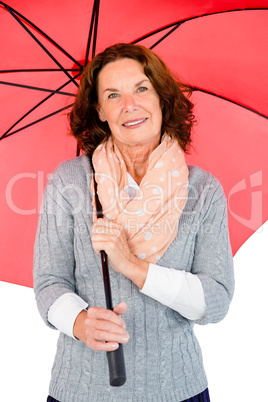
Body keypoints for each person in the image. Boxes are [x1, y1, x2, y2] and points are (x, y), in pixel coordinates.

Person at [34, 43, 234, 402]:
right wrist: (81, 323)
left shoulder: (203, 189)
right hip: (82, 391)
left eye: (141, 88)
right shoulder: (69, 182)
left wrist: (131, 265)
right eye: (113, 94)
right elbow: (49, 282)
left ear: (161, 97)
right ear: (99, 110)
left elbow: (215, 300)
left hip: (177, 388)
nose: (130, 104)